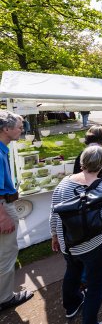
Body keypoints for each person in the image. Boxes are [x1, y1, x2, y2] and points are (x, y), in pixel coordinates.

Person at [50, 146, 102, 324]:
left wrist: (54, 235)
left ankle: (71, 306)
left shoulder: (63, 183)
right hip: (94, 244)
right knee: (95, 286)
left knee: (72, 273)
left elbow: (54, 212)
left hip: (68, 243)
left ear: (81, 162)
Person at [0, 111, 34, 312]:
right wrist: (3, 216)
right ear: (6, 129)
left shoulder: (3, 149)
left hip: (6, 202)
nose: (22, 130)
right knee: (6, 254)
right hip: (3, 207)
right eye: (20, 127)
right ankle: (4, 298)